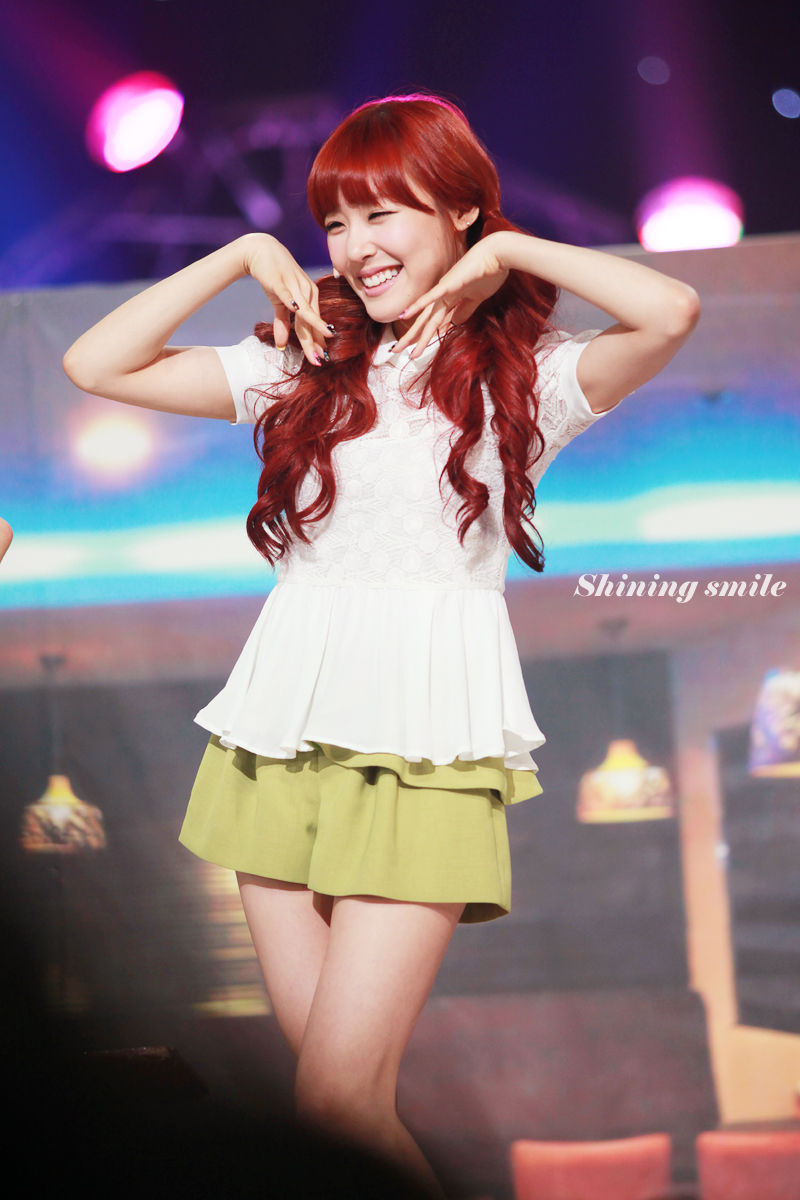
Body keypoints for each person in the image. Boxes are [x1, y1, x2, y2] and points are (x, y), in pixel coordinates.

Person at [63, 94, 699, 1197]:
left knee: (337, 1102)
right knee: (336, 1114)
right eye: (334, 222)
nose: (355, 246)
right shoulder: (302, 363)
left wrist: (506, 253)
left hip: (426, 746)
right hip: (275, 739)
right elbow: (95, 363)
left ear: (458, 211)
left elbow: (672, 308)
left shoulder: (527, 381)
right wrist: (242, 253)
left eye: (383, 213)